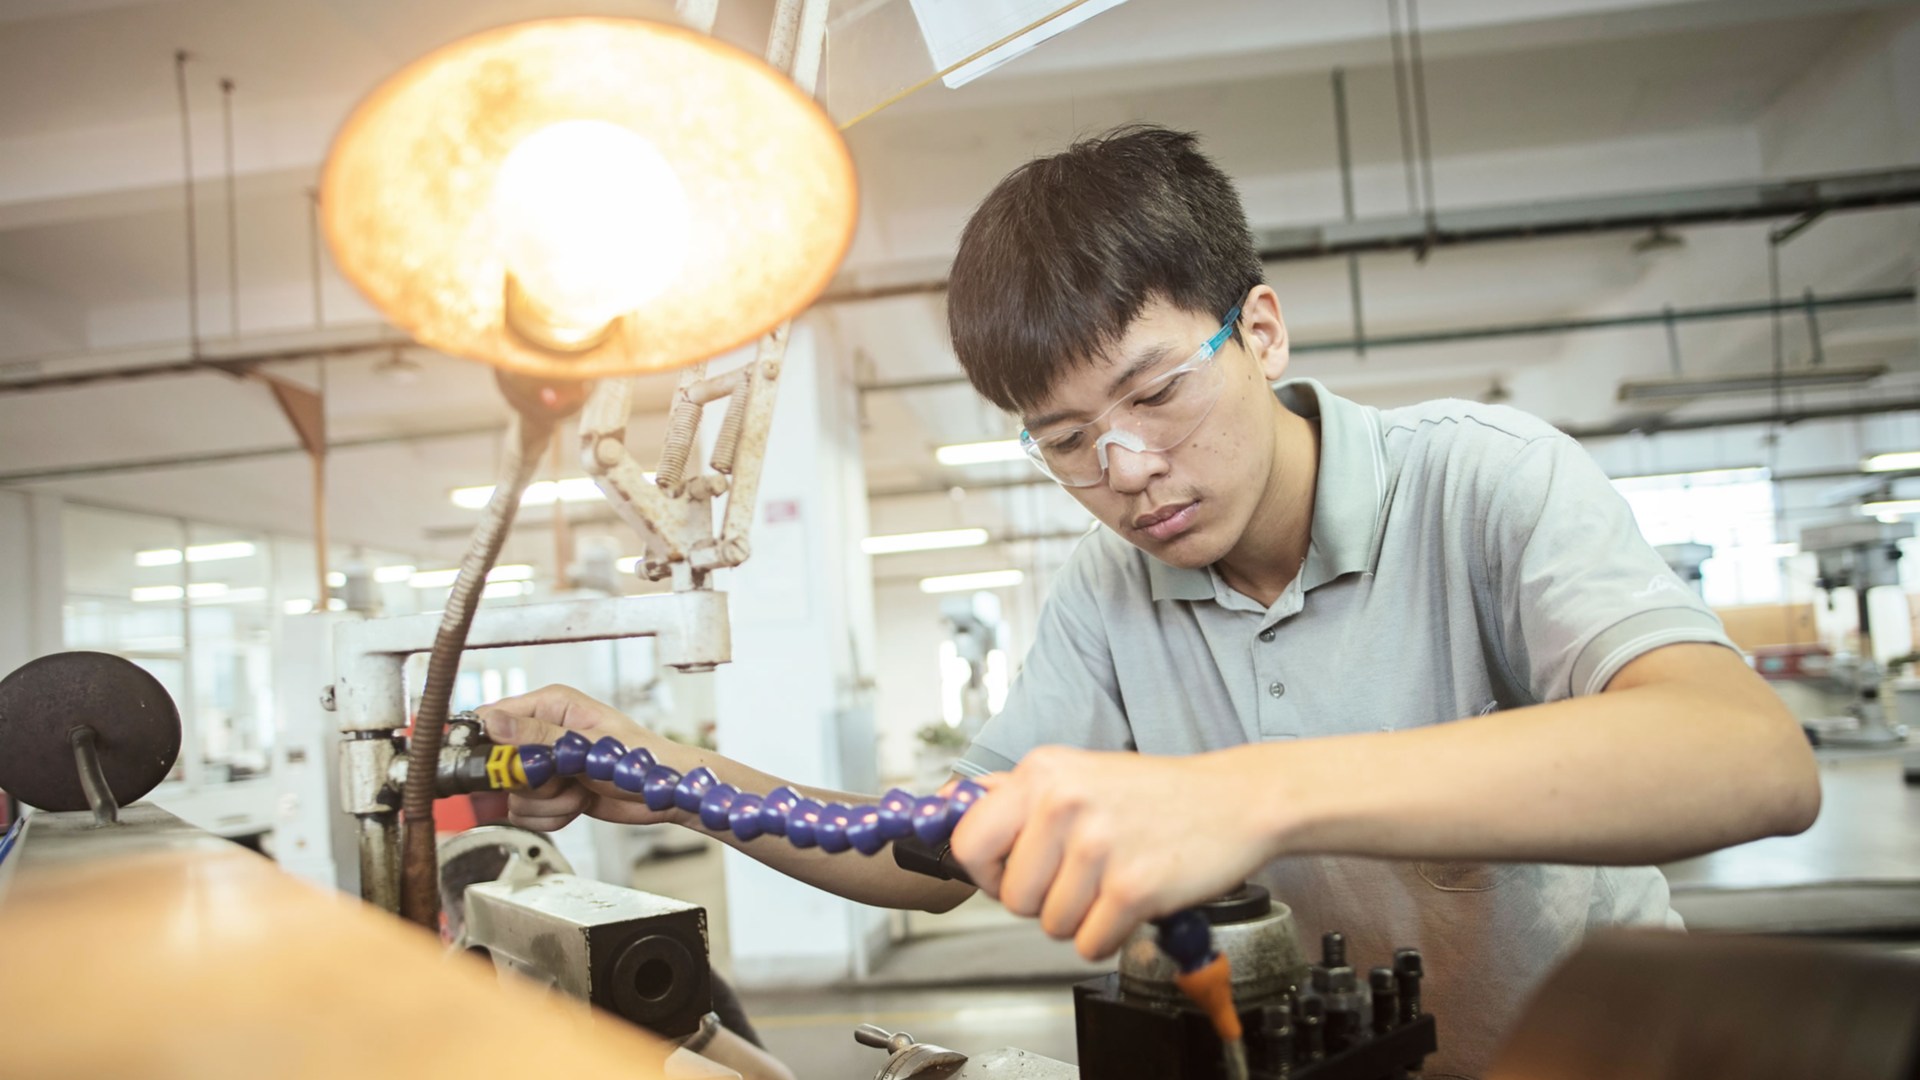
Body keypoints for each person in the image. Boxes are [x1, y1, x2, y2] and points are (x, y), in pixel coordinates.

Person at [482, 124, 1821, 1078]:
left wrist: (1252, 795)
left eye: (1157, 392)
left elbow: (1750, 760)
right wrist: (665, 773)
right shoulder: (1109, 591)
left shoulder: (1486, 482)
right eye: (1066, 441)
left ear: (1263, 331)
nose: (1124, 471)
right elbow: (926, 855)